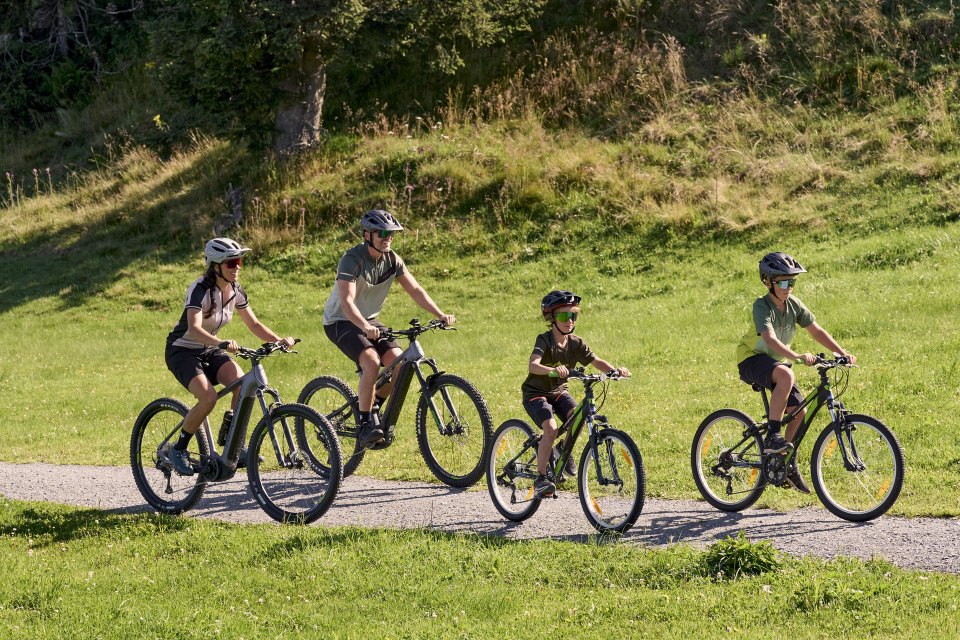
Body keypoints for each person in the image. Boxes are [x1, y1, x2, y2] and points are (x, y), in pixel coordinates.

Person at [323, 210, 454, 448]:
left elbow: (416, 290)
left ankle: (372, 408)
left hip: (369, 319)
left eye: (391, 234)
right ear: (367, 235)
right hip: (340, 320)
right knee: (371, 361)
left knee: (399, 362)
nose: (388, 238)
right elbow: (347, 302)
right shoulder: (352, 259)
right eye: (382, 233)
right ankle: (365, 425)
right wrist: (364, 327)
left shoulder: (392, 259)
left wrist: (440, 314)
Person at [164, 238, 295, 476]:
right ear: (216, 266)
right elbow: (193, 329)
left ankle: (234, 444)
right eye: (232, 263)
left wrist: (278, 340)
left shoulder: (235, 290)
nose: (238, 267)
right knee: (208, 398)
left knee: (243, 383)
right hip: (181, 350)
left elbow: (254, 324)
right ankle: (179, 449)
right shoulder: (200, 289)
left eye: (239, 262)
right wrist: (221, 343)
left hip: (209, 347)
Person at [735, 252, 857, 493]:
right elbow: (769, 339)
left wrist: (841, 353)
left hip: (777, 364)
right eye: (782, 282)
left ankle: (784, 462)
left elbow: (816, 330)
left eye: (791, 282)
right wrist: (797, 357)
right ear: (767, 281)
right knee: (787, 375)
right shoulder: (762, 306)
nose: (788, 287)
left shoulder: (794, 305)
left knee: (799, 413)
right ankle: (772, 436)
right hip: (752, 359)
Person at [521, 290, 631, 498]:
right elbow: (533, 365)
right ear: (551, 318)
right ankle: (541, 478)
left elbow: (596, 361)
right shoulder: (544, 340)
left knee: (578, 417)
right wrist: (552, 370)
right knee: (551, 429)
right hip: (536, 393)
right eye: (564, 316)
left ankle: (563, 449)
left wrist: (613, 371)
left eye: (573, 315)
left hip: (559, 392)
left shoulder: (575, 342)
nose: (569, 320)